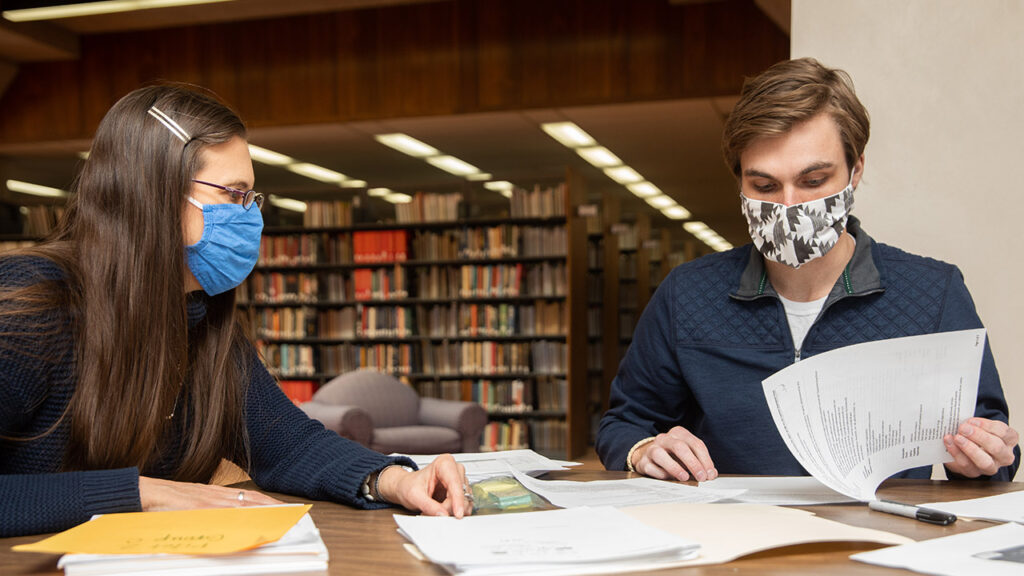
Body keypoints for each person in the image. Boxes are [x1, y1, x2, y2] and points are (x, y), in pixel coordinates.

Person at [0, 84, 471, 538]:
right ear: (154, 192)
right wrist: (142, 494)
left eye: (251, 198)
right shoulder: (28, 306)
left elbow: (286, 442)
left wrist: (391, 479)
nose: (250, 216)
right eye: (233, 194)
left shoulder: (202, 315)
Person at [596, 57, 1020, 484]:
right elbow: (624, 423)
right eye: (764, 186)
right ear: (740, 182)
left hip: (881, 524)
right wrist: (643, 449)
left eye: (814, 181)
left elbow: (997, 455)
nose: (789, 205)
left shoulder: (933, 293)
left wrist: (983, 458)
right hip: (732, 523)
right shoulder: (687, 295)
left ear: (855, 170)